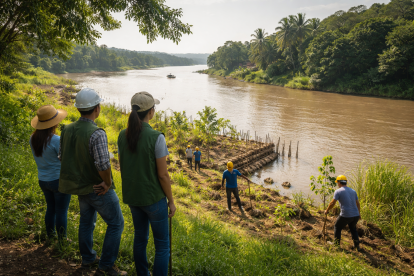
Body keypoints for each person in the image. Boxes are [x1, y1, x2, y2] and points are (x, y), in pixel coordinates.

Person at [59, 88, 126, 276]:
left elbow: (62, 157)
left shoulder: (67, 129)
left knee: (86, 222)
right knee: (116, 224)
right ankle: (106, 266)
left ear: (79, 108)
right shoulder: (97, 133)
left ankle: (88, 258)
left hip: (79, 187)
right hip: (97, 188)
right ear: (97, 108)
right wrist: (107, 183)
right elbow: (103, 164)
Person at [117, 91, 176, 276]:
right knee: (162, 246)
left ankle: (142, 273)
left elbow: (122, 165)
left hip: (133, 197)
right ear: (151, 111)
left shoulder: (122, 135)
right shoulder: (157, 137)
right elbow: (163, 175)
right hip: (153, 199)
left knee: (140, 238)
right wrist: (171, 201)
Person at [30, 105, 71, 241]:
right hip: (58, 180)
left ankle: (50, 236)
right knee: (61, 211)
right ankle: (62, 240)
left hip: (43, 180)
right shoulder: (56, 140)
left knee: (51, 208)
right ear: (54, 123)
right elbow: (65, 159)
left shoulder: (33, 139)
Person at [324, 175, 361, 252]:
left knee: (337, 227)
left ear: (339, 183)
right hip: (356, 215)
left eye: (337, 182)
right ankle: (357, 246)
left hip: (346, 215)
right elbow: (358, 204)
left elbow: (332, 203)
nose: (337, 184)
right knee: (353, 229)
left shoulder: (338, 191)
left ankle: (336, 244)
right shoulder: (353, 191)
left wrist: (327, 210)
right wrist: (359, 214)